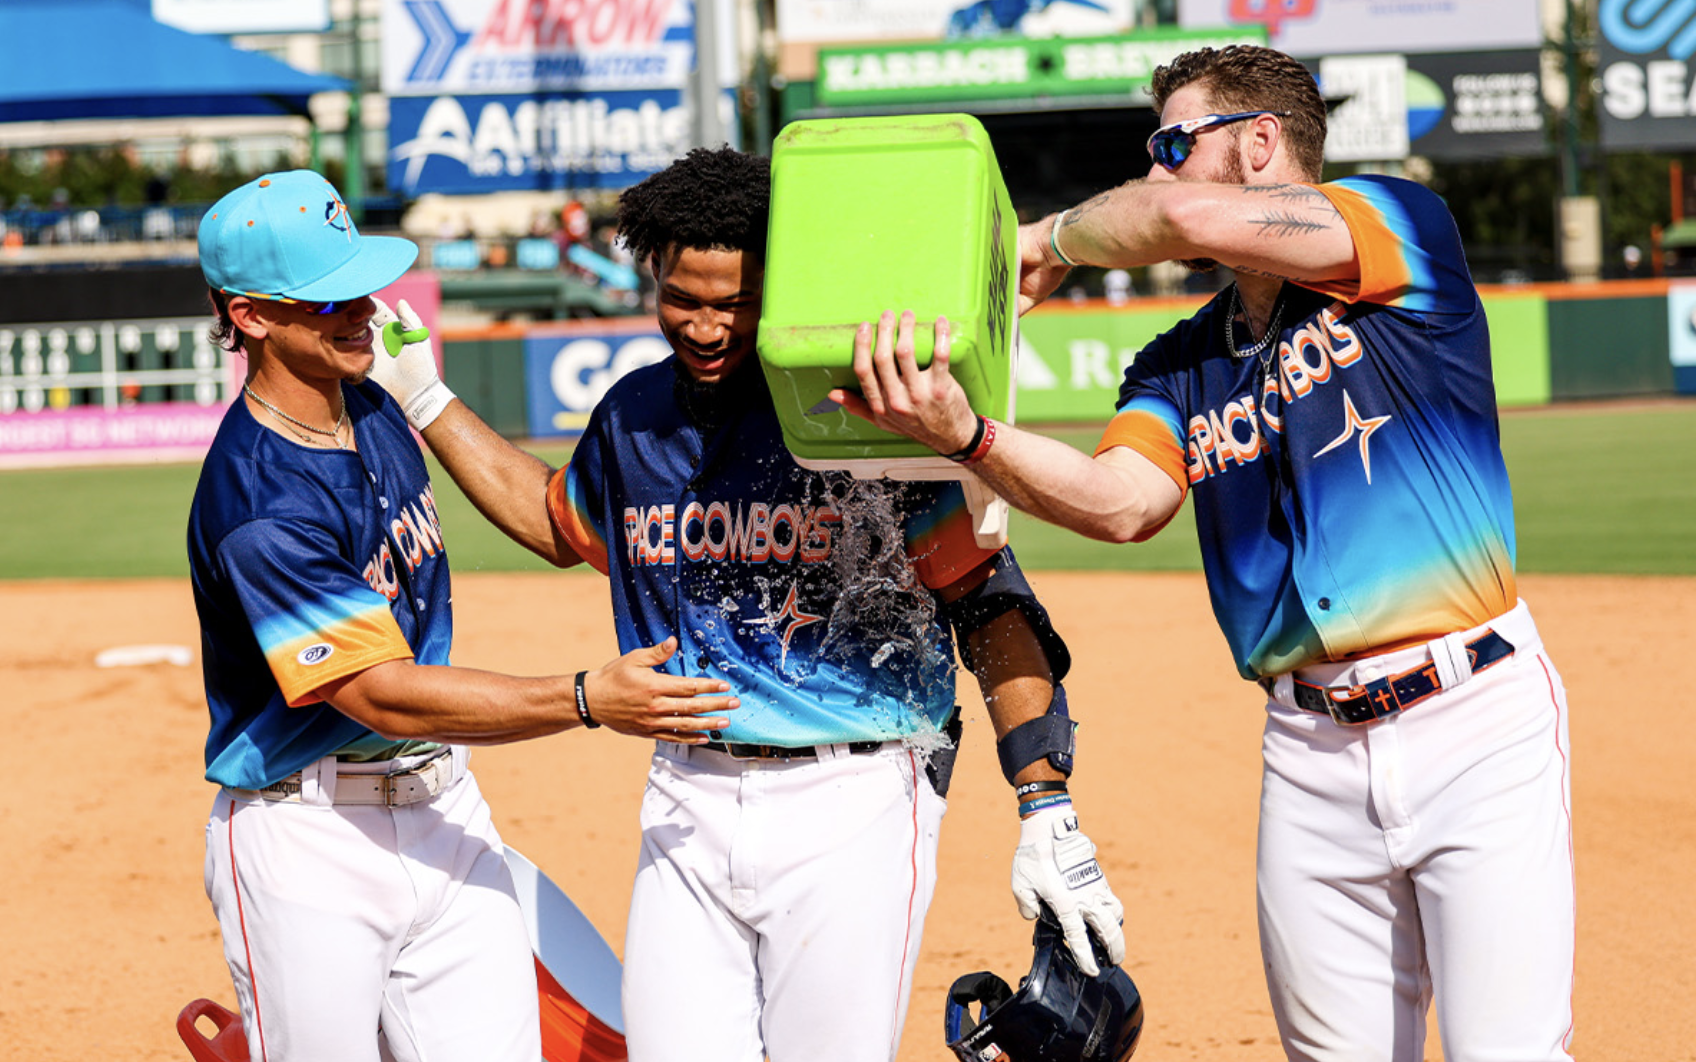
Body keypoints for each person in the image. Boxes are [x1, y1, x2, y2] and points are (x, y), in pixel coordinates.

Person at [834, 45, 1576, 1062]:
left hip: (1474, 722)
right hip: (1307, 750)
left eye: (1174, 145)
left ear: (1263, 142)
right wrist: (969, 439)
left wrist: (1046, 238)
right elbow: (1119, 504)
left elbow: (1175, 218)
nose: (1156, 171)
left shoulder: (1395, 229)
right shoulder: (1180, 361)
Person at [365, 146, 1125, 1062]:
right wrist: (427, 396)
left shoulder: (854, 416)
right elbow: (557, 519)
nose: (708, 326)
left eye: (737, 302)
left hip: (853, 793)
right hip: (685, 796)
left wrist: (1046, 803)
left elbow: (990, 607)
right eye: (684, 299)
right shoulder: (634, 415)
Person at [187, 169, 737, 1062]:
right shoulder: (260, 504)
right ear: (250, 316)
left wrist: (424, 397)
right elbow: (382, 696)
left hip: (447, 813)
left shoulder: (369, 403)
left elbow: (556, 527)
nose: (361, 306)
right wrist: (585, 697)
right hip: (311, 845)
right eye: (327, 298)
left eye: (360, 281)